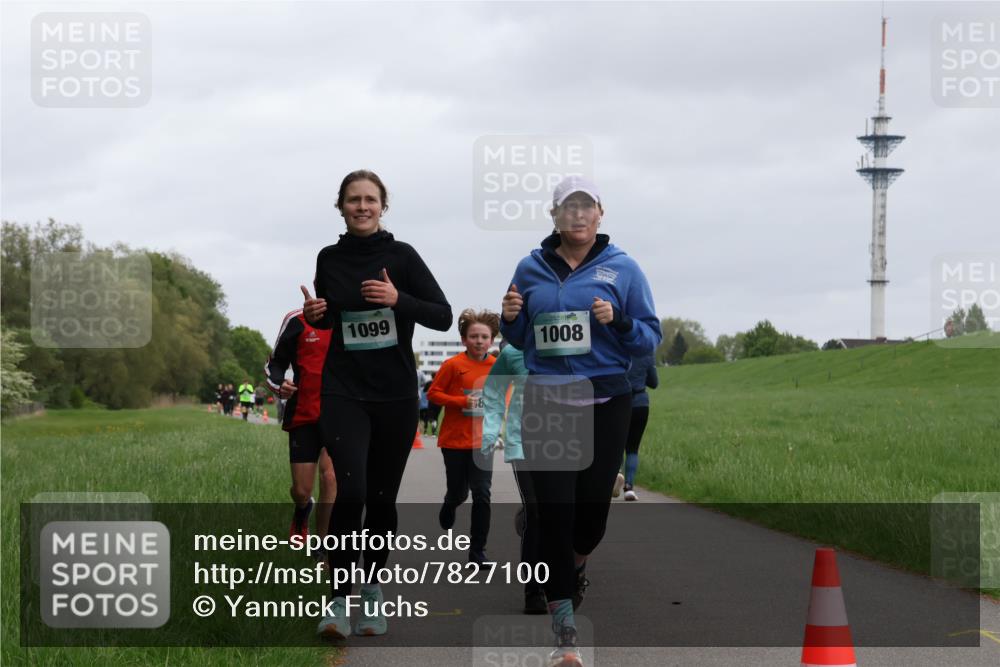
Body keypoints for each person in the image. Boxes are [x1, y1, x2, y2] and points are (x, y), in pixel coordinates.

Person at [499, 176, 661, 667]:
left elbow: (649, 338)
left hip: (605, 399)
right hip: (547, 399)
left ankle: (575, 565)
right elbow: (519, 338)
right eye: (567, 207)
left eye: (586, 206)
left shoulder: (623, 268)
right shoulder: (530, 267)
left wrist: (620, 321)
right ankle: (564, 629)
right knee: (555, 515)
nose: (577, 214)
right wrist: (510, 317)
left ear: (600, 213)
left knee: (590, 520)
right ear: (554, 216)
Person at [301, 169, 452, 639]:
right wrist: (315, 315)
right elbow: (329, 320)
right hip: (343, 390)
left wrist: (397, 298)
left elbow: (443, 316)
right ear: (341, 207)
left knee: (382, 500)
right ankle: (337, 600)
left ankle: (370, 588)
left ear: (383, 206)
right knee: (352, 491)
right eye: (353, 199)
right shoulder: (329, 258)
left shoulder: (402, 256)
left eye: (370, 199)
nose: (362, 207)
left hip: (395, 395)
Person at [427, 309, 499, 567]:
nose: (479, 341)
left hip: (483, 441)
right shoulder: (453, 365)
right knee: (459, 492)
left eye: (484, 337)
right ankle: (450, 503)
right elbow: (433, 394)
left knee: (482, 493)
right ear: (464, 339)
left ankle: (477, 552)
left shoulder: (497, 367)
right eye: (474, 336)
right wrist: (461, 401)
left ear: (492, 340)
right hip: (454, 440)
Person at [265, 307, 337, 560]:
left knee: (330, 477)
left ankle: (323, 547)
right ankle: (303, 509)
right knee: (301, 490)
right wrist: (279, 384)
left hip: (339, 414)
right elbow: (275, 363)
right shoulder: (296, 320)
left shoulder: (349, 315)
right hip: (303, 414)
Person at [481, 340, 547, 614]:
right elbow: (494, 390)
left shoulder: (571, 345)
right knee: (537, 512)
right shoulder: (512, 352)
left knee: (564, 513)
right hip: (523, 442)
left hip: (566, 442)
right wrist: (491, 431)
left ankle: (573, 572)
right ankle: (534, 590)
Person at [622, 351, 658, 501]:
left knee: (617, 444)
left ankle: (615, 478)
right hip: (641, 403)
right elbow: (654, 383)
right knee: (633, 448)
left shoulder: (619, 350)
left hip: (620, 402)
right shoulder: (646, 354)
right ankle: (629, 487)